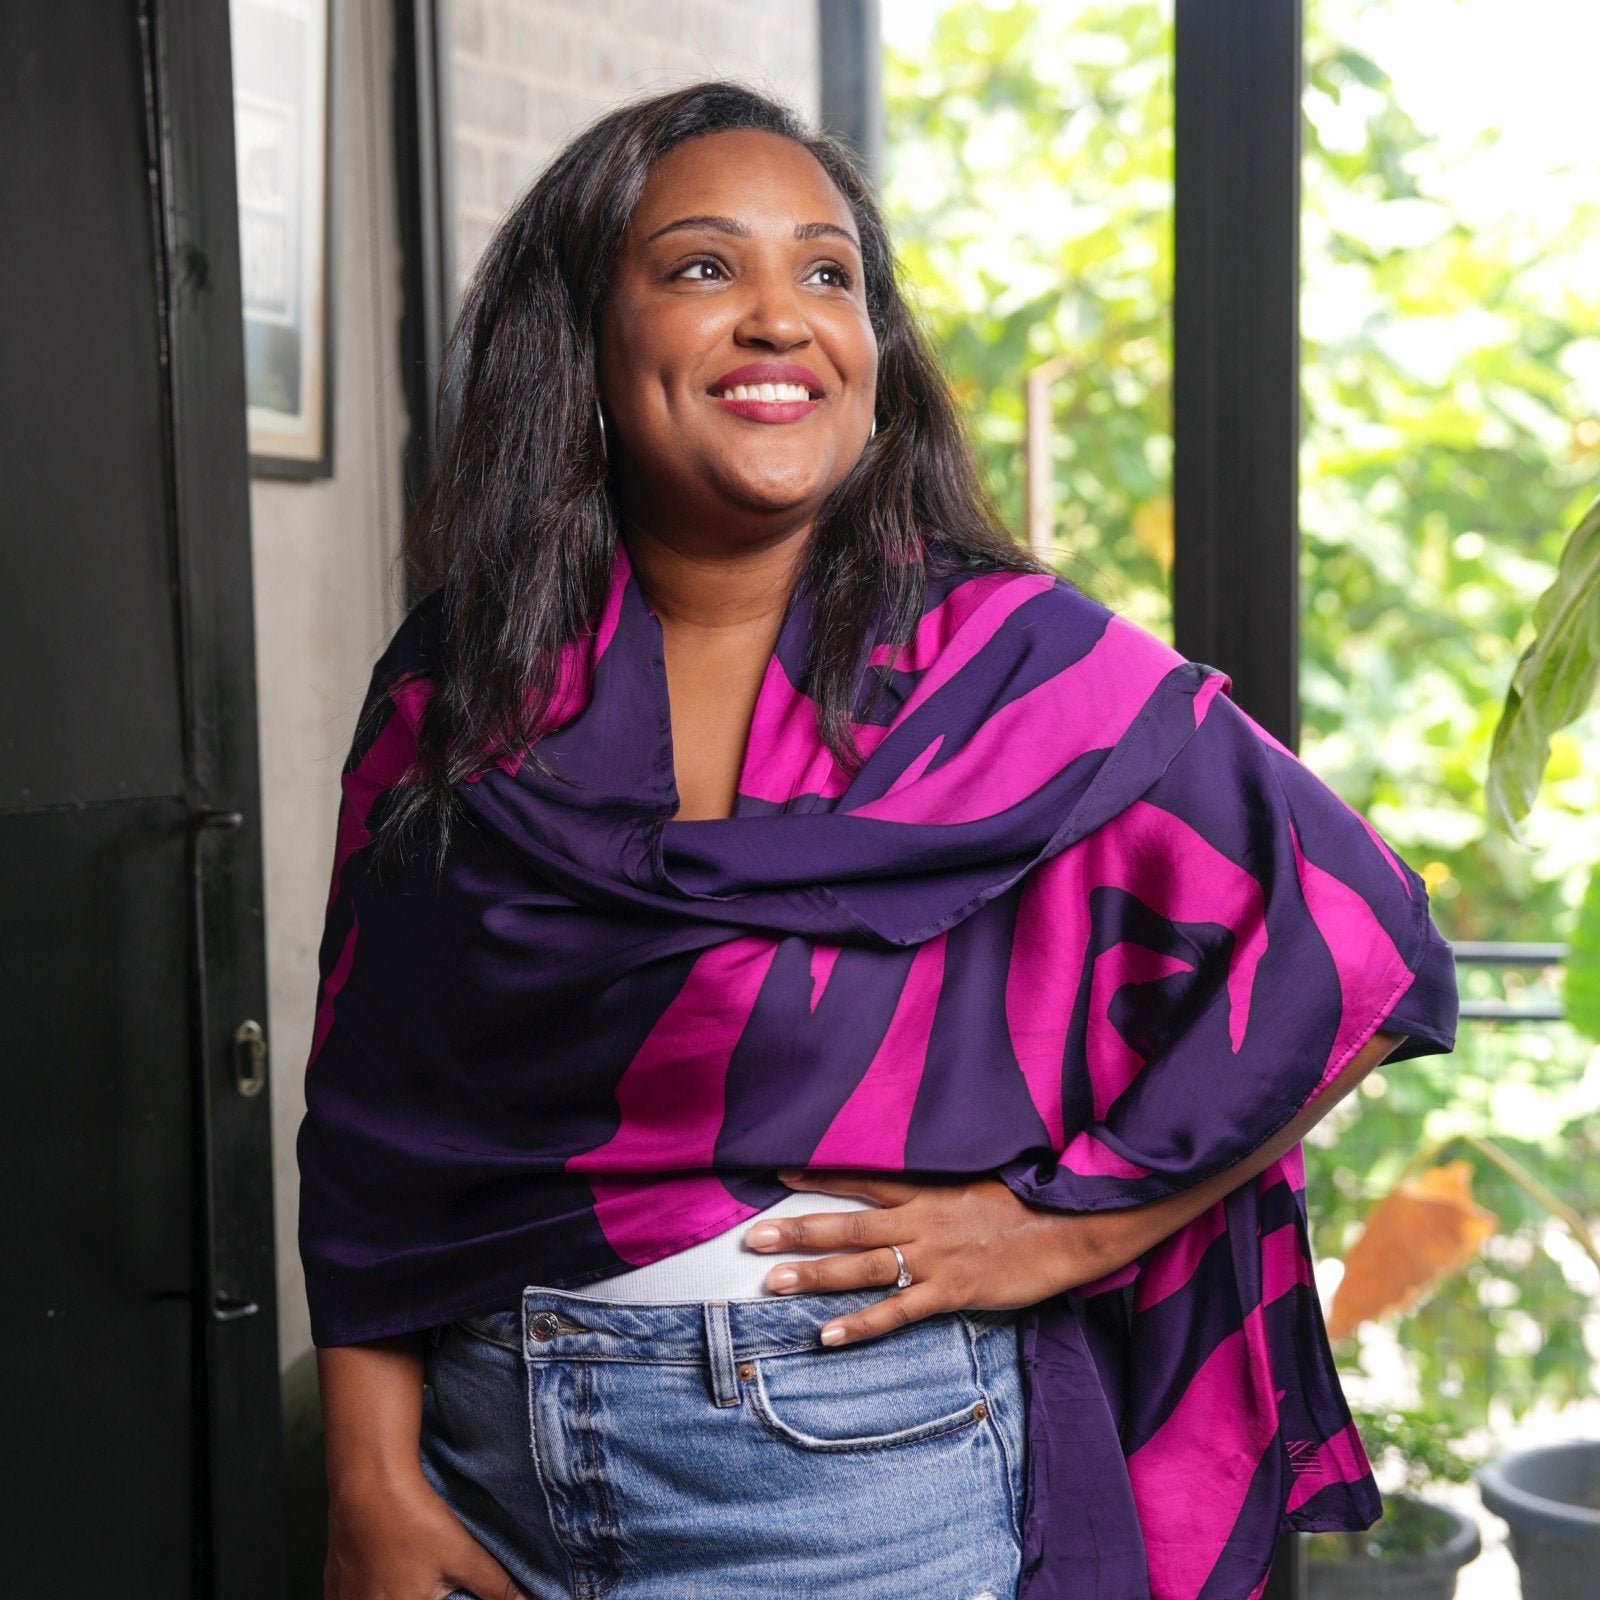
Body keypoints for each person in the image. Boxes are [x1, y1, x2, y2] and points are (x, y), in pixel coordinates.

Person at [300, 82, 1458, 1600]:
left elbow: (1361, 950)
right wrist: (369, 1482)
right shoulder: (464, 678)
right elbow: (374, 1106)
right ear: (581, 334)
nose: (781, 317)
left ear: (874, 356)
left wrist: (1055, 1235)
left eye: (828, 273)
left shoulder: (1008, 668)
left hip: (846, 1475)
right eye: (704, 266)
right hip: (479, 1462)